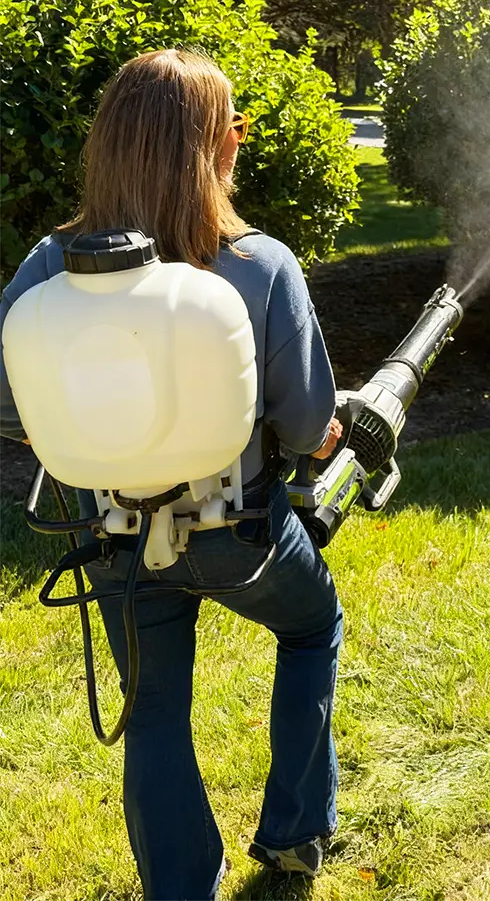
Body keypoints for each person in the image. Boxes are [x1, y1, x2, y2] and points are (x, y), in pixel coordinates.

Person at [0, 48, 345, 901]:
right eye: (234, 127)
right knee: (311, 629)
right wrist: (321, 433)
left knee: (153, 711)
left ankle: (181, 887)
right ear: (216, 147)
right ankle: (296, 833)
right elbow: (307, 429)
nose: (239, 139)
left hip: (112, 543)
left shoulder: (50, 267)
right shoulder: (261, 264)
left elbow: (15, 409)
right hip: (244, 536)